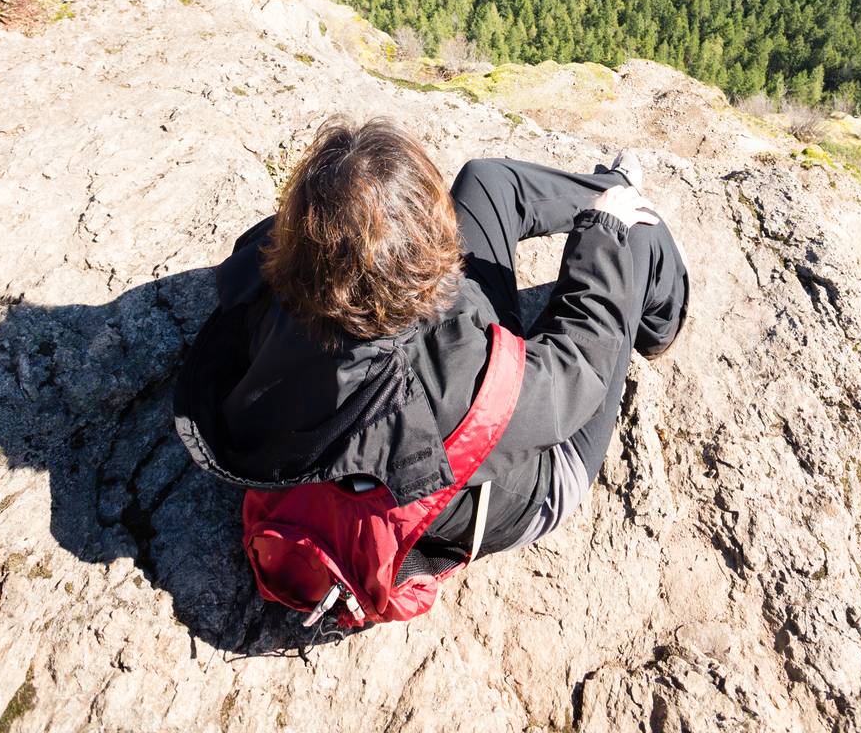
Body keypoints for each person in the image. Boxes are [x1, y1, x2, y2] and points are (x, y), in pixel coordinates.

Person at [174, 119, 689, 568]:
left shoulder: (279, 273)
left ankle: (612, 189)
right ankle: (660, 320)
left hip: (403, 343)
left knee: (488, 181)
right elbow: (578, 369)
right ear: (421, 267)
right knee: (635, 239)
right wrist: (605, 236)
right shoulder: (443, 387)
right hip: (530, 479)